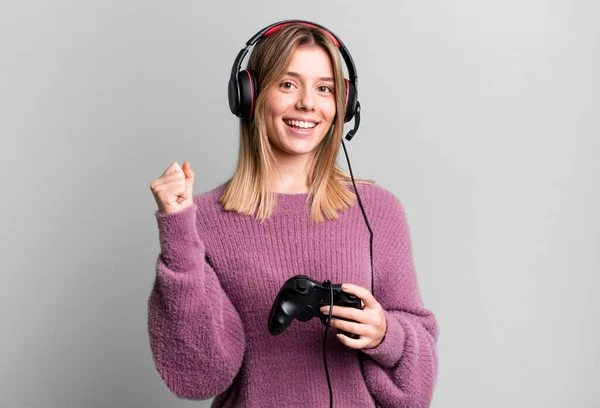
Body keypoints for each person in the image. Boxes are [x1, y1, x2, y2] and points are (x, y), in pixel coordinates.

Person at [147, 21, 438, 408]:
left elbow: (416, 389)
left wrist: (386, 334)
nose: (307, 103)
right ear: (250, 95)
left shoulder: (377, 212)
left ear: (343, 105)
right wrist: (178, 230)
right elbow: (199, 377)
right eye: (288, 84)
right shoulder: (201, 219)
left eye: (324, 88)